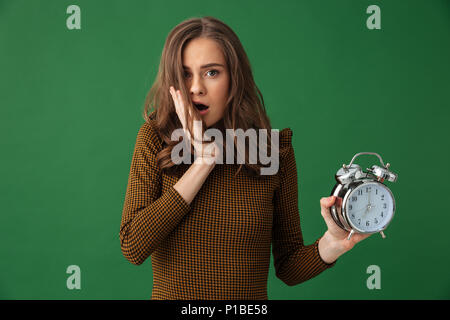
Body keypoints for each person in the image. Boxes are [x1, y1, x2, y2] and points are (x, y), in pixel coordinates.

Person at [119, 16, 370, 300]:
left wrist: (334, 243)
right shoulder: (156, 140)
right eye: (185, 74)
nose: (196, 87)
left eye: (211, 72)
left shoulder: (273, 152)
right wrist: (204, 162)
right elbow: (133, 246)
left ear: (234, 78)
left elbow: (288, 267)